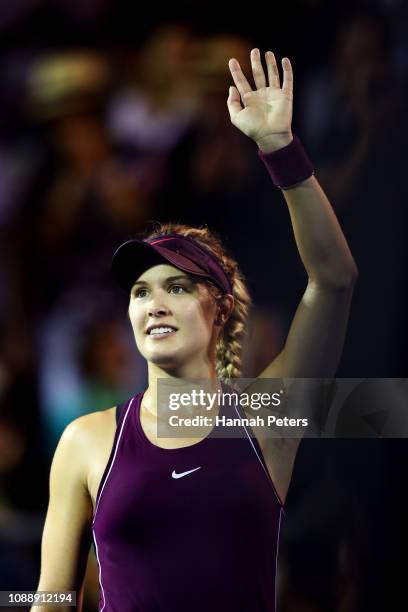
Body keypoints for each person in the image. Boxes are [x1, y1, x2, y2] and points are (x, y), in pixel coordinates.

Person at [33, 49, 358, 612]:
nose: (154, 303)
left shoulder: (266, 418)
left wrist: (281, 152)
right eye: (140, 292)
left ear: (222, 309)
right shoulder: (85, 441)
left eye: (178, 287)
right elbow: (48, 598)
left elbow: (333, 281)